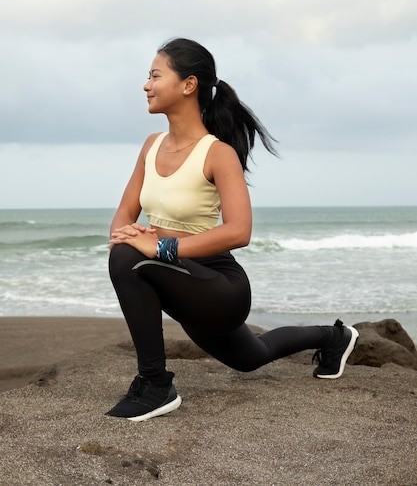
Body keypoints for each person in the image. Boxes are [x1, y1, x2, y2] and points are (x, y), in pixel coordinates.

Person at [106, 37, 359, 422]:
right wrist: (128, 233)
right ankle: (333, 336)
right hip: (180, 279)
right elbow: (124, 213)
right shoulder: (151, 146)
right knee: (250, 357)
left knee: (127, 258)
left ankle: (155, 385)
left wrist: (163, 246)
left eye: (155, 76)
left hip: (219, 288)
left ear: (188, 85)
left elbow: (240, 231)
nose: (146, 85)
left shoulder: (217, 153)